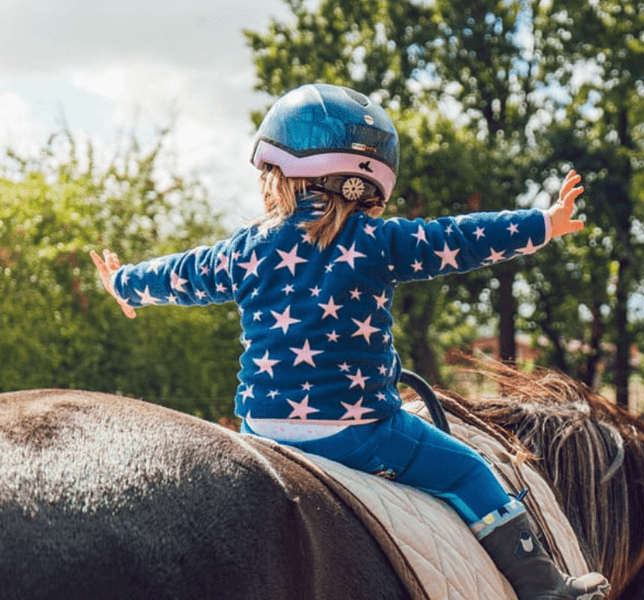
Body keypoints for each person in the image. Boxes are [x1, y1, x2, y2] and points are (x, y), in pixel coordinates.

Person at [91, 83, 609, 600]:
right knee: (469, 471)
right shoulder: (379, 243)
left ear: (281, 178)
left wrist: (125, 283)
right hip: (359, 434)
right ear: (369, 185)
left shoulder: (244, 252)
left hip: (260, 431)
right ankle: (547, 590)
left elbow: (184, 272)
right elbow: (460, 238)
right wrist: (543, 223)